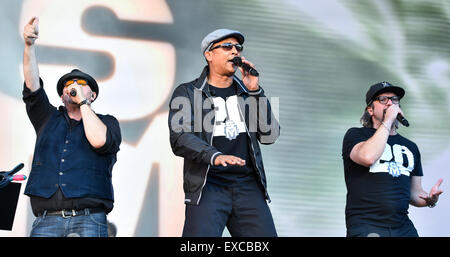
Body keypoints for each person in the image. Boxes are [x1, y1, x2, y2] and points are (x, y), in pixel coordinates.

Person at [168, 29, 280, 236]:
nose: (235, 52)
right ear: (209, 55)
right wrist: (215, 156)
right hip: (208, 185)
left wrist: (255, 91)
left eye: (238, 48)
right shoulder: (188, 93)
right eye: (227, 47)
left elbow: (270, 135)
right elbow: (179, 137)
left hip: (247, 185)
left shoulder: (248, 93)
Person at [22, 16, 121, 237]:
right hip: (47, 219)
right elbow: (32, 87)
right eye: (67, 85)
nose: (72, 87)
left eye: (80, 84)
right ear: (61, 95)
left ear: (93, 94)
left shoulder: (108, 122)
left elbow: (99, 141)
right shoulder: (48, 118)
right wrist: (29, 46)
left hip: (89, 218)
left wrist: (83, 103)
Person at [342, 81, 443, 237]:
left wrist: (430, 199)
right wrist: (388, 120)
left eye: (394, 99)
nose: (390, 103)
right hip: (366, 225)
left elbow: (414, 194)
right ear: (370, 109)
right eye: (383, 99)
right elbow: (367, 157)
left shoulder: (411, 147)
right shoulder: (356, 135)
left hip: (402, 227)